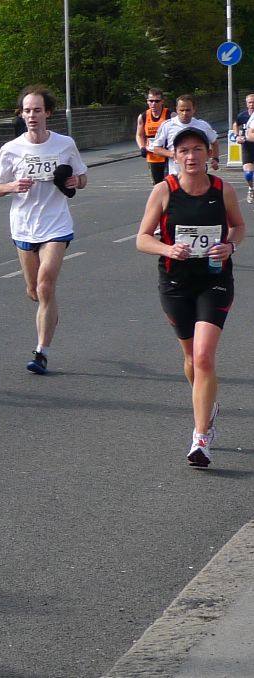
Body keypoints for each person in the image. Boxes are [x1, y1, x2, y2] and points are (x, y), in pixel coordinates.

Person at [135, 127, 245, 467]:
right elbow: (142, 238)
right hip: (176, 283)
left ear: (208, 154)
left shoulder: (222, 189)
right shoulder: (163, 191)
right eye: (184, 150)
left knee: (204, 356)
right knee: (191, 358)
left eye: (198, 149)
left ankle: (201, 437)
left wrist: (230, 246)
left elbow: (239, 226)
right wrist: (168, 249)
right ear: (175, 155)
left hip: (214, 280)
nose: (191, 156)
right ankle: (206, 403)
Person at [0, 85, 87, 375]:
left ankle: (41, 352)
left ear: (48, 113)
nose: (32, 115)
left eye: (37, 110)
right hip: (23, 226)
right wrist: (11, 186)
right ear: (22, 114)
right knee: (34, 290)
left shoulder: (64, 144)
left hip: (56, 223)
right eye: (27, 110)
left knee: (45, 285)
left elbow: (82, 177)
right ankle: (49, 311)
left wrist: (75, 182)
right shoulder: (11, 149)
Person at [150, 94, 219, 177]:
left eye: (188, 110)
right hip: (175, 174)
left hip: (198, 175)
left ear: (194, 109)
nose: (185, 113)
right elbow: (156, 148)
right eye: (181, 110)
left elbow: (214, 142)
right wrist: (172, 154)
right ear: (177, 109)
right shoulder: (168, 125)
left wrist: (215, 159)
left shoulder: (203, 126)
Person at [135, 88, 170, 184]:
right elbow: (139, 135)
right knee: (157, 185)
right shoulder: (143, 116)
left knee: (169, 183)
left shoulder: (170, 115)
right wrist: (142, 147)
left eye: (157, 101)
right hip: (153, 157)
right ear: (147, 101)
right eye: (151, 101)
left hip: (168, 156)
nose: (153, 104)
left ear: (162, 101)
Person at [233, 93, 254, 204]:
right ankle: (251, 189)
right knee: (248, 174)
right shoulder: (243, 116)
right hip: (247, 147)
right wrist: (237, 136)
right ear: (246, 104)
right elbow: (235, 124)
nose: (252, 104)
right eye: (250, 102)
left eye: (253, 102)